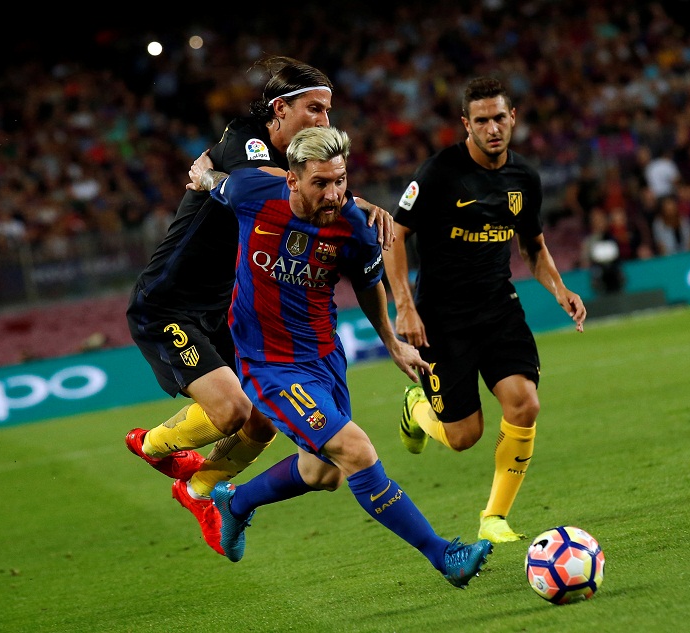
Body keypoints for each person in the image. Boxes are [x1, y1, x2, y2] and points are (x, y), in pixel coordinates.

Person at [186, 125, 493, 588]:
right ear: (292, 180)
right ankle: (443, 554)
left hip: (324, 359)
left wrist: (391, 342)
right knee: (356, 450)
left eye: (340, 181)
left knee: (322, 471)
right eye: (321, 183)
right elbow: (216, 183)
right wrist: (203, 172)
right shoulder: (253, 193)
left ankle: (237, 502)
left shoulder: (354, 227)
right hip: (268, 364)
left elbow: (369, 286)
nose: (334, 194)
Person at [124, 55, 393, 554]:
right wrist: (353, 200)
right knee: (230, 412)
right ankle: (151, 444)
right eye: (314, 109)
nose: (324, 122)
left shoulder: (263, 156)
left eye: (329, 111)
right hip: (169, 304)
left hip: (226, 305)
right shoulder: (245, 140)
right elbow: (269, 179)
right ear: (279, 110)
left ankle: (199, 489)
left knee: (262, 419)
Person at [382, 77, 587, 544]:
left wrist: (560, 289)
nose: (492, 128)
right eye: (481, 120)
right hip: (441, 317)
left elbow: (532, 245)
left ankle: (493, 517)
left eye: (499, 118)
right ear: (466, 125)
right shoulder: (438, 173)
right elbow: (396, 235)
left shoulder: (524, 180)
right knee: (463, 437)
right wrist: (405, 306)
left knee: (525, 402)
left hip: (498, 307)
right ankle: (417, 408)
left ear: (513, 117)